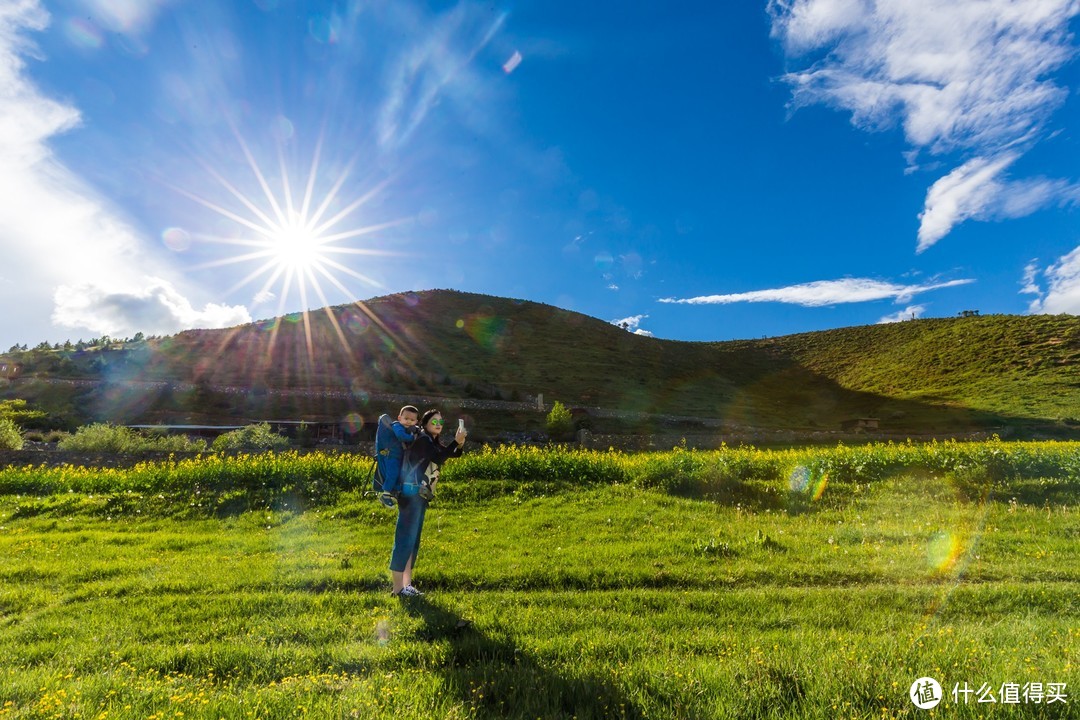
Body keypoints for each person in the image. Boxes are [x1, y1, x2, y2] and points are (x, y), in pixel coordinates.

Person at [390, 408, 467, 597]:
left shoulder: (430, 441)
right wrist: (455, 443)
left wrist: (460, 443)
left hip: (419, 496)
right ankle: (397, 589)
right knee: (404, 540)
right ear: (424, 424)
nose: (438, 425)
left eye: (441, 422)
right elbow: (439, 457)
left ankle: (406, 586)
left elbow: (451, 454)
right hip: (410, 494)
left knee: (412, 541)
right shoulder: (423, 440)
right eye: (434, 422)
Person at [375, 406, 420, 507]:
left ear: (416, 421)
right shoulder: (397, 426)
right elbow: (400, 436)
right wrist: (413, 438)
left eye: (412, 420)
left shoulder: (409, 429)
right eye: (406, 418)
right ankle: (385, 494)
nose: (409, 421)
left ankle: (396, 493)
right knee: (393, 473)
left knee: (401, 474)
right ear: (399, 418)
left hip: (400, 456)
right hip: (392, 456)